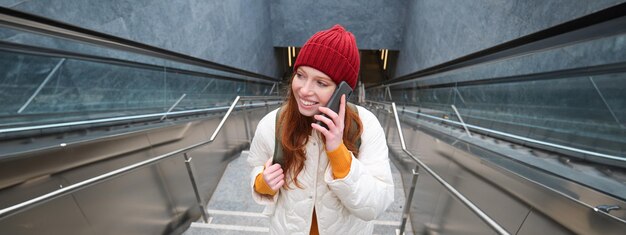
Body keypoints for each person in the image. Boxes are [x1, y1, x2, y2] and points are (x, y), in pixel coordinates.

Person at [247, 24, 394, 235]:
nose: (304, 90)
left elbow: (377, 203)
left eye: (321, 83)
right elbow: (255, 166)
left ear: (343, 90)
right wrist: (263, 183)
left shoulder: (365, 126)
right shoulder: (273, 122)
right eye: (300, 75)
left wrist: (338, 151)